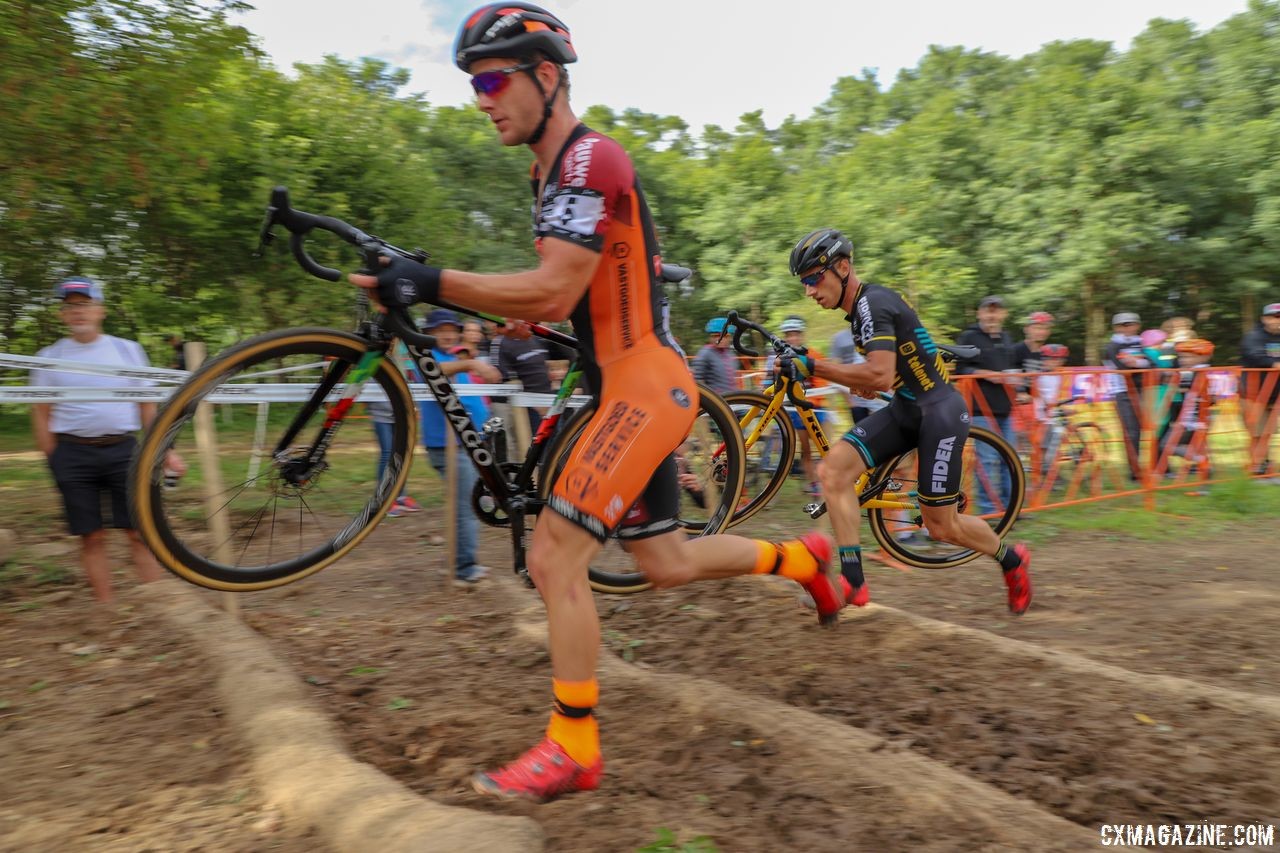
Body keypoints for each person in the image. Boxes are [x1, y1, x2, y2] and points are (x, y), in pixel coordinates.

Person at [350, 3, 857, 802]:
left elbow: (555, 287)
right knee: (666, 561)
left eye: (491, 79)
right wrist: (526, 304)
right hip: (621, 380)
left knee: (552, 556)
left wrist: (432, 280)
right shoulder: (545, 172)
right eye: (472, 85)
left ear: (546, 76)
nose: (481, 98)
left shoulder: (592, 159)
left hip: (643, 384)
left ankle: (573, 743)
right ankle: (805, 560)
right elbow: (571, 284)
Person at [785, 227, 1032, 622]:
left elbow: (879, 376)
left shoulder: (872, 304)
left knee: (942, 527)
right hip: (907, 408)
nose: (810, 291)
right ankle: (852, 581)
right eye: (805, 283)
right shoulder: (859, 313)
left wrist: (814, 365)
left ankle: (1011, 558)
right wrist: (863, 380)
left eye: (815, 277)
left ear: (843, 267)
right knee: (833, 471)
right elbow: (884, 375)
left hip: (939, 414)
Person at [30, 278, 185, 605]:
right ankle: (107, 610)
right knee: (91, 536)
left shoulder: (127, 350)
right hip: (72, 454)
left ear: (100, 310)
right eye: (70, 306)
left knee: (139, 533)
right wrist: (53, 457)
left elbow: (147, 406)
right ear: (62, 315)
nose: (78, 312)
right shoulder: (47, 357)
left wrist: (164, 450)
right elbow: (41, 411)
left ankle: (159, 607)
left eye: (84, 305)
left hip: (124, 451)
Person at [418, 309, 501, 584]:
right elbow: (433, 373)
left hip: (469, 442)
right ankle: (463, 569)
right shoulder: (428, 358)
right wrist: (471, 365)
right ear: (429, 333)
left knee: (468, 502)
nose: (447, 333)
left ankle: (456, 560)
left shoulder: (455, 356)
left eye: (451, 328)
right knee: (467, 505)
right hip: (448, 444)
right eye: (440, 329)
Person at [955, 296, 1018, 514]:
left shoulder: (1007, 337)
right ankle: (989, 510)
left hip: (1007, 407)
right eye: (988, 311)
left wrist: (1017, 379)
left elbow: (1011, 367)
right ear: (979, 314)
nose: (992, 315)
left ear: (1003, 314)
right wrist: (986, 375)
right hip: (981, 408)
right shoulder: (969, 336)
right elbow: (960, 369)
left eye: (997, 310)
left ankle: (1011, 507)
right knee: (988, 460)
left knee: (1009, 458)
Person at [766, 315, 830, 496]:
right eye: (789, 335)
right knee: (806, 449)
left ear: (801, 335)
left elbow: (822, 380)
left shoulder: (813, 354)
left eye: (795, 334)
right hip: (797, 409)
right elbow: (778, 382)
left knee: (824, 446)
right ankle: (814, 483)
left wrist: (815, 400)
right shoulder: (781, 358)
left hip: (816, 408)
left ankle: (828, 479)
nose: (792, 338)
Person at [1103, 312, 1151, 481]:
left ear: (1137, 325)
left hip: (1142, 389)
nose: (1127, 328)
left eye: (1130, 324)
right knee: (1131, 432)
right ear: (1115, 327)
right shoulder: (1112, 346)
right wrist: (1139, 364)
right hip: (1122, 391)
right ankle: (1134, 471)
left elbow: (1151, 364)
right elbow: (1122, 367)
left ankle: (1148, 466)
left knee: (1146, 429)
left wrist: (1137, 363)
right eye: (1122, 325)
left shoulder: (1141, 343)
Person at [1241, 302, 1280, 478]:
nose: (1278, 321)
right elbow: (1253, 354)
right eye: (1275, 317)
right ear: (1264, 318)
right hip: (1254, 393)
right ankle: (1258, 466)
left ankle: (1263, 464)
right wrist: (1274, 363)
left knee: (1268, 432)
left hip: (1275, 392)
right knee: (1257, 431)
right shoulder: (1254, 336)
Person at [1010, 311, 1054, 457]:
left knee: (1046, 435)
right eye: (1036, 327)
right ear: (1027, 329)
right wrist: (1020, 391)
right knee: (1021, 439)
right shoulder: (1017, 350)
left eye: (1044, 328)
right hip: (1019, 401)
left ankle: (1044, 469)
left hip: (1037, 402)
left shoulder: (1045, 354)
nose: (1040, 332)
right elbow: (1012, 372)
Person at [691, 317, 738, 397]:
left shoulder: (729, 353)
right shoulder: (704, 353)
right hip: (716, 401)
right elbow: (698, 382)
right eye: (716, 336)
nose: (720, 339)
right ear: (711, 337)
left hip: (731, 398)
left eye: (725, 336)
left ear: (729, 337)